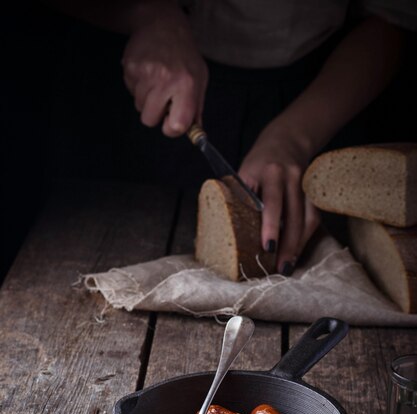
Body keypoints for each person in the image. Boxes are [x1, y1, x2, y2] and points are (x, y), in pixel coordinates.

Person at [44, 0, 417, 274]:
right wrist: (147, 13)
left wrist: (295, 137)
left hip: (325, 90)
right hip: (132, 89)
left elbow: (394, 17)